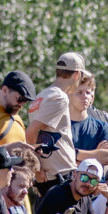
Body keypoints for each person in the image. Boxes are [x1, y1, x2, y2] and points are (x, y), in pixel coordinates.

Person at [25, 53, 83, 194]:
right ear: (76, 75)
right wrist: (37, 169)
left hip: (50, 175)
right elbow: (31, 133)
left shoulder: (41, 96)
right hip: (59, 175)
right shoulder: (59, 97)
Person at [68, 73, 108, 166]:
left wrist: (75, 154)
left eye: (88, 92)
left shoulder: (102, 127)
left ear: (92, 98)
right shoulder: (59, 126)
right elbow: (58, 159)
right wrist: (96, 153)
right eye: (79, 92)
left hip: (95, 180)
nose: (85, 96)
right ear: (69, 95)